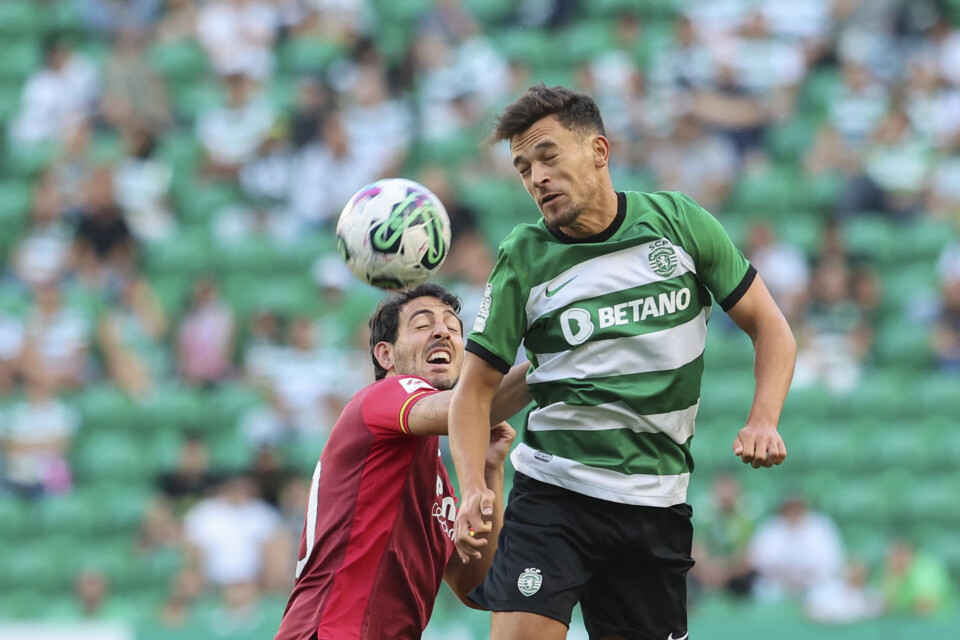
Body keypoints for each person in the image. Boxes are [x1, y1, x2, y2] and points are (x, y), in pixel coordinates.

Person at [448, 85, 797, 640]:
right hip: (554, 494)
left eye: (547, 156)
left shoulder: (680, 224)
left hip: (654, 503)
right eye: (522, 168)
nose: (536, 177)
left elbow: (771, 328)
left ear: (599, 152)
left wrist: (764, 418)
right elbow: (473, 391)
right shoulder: (524, 255)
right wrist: (473, 487)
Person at [274, 283, 531, 640]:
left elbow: (478, 586)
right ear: (385, 356)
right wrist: (549, 361)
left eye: (454, 328)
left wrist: (489, 470)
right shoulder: (382, 396)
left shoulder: (434, 474)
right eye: (423, 325)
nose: (442, 331)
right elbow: (466, 405)